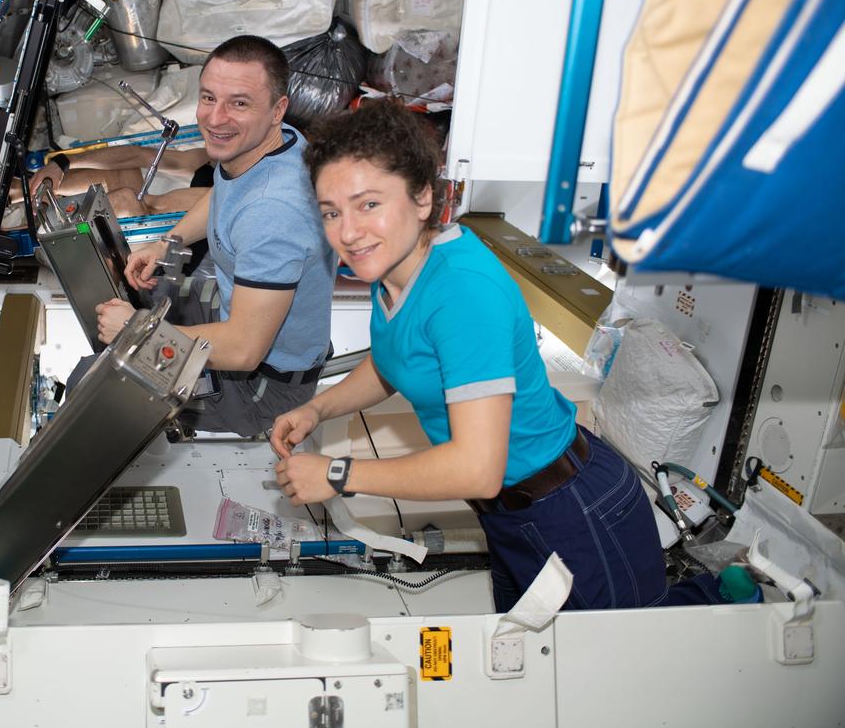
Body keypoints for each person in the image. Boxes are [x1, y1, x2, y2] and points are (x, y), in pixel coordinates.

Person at [269, 100, 721, 612]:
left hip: (574, 513)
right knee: (528, 669)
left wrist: (335, 474)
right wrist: (318, 409)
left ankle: (729, 598)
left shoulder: (461, 291)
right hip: (512, 517)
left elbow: (476, 468)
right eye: (332, 212)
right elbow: (394, 359)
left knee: (614, 672)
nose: (347, 232)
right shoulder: (394, 267)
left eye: (368, 204)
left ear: (421, 198)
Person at [75, 35, 338, 437]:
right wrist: (168, 242)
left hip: (259, 388)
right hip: (237, 318)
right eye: (209, 98)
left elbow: (243, 350)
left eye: (239, 103)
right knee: (140, 295)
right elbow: (224, 194)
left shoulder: (273, 212)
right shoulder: (270, 146)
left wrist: (138, 334)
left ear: (277, 109)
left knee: (94, 393)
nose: (215, 119)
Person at [26, 143, 213, 217]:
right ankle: (27, 188)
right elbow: (139, 155)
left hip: (173, 241)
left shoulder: (224, 198)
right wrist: (63, 162)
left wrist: (68, 217)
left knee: (127, 197)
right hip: (205, 182)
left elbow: (148, 205)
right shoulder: (222, 158)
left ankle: (54, 211)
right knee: (124, 171)